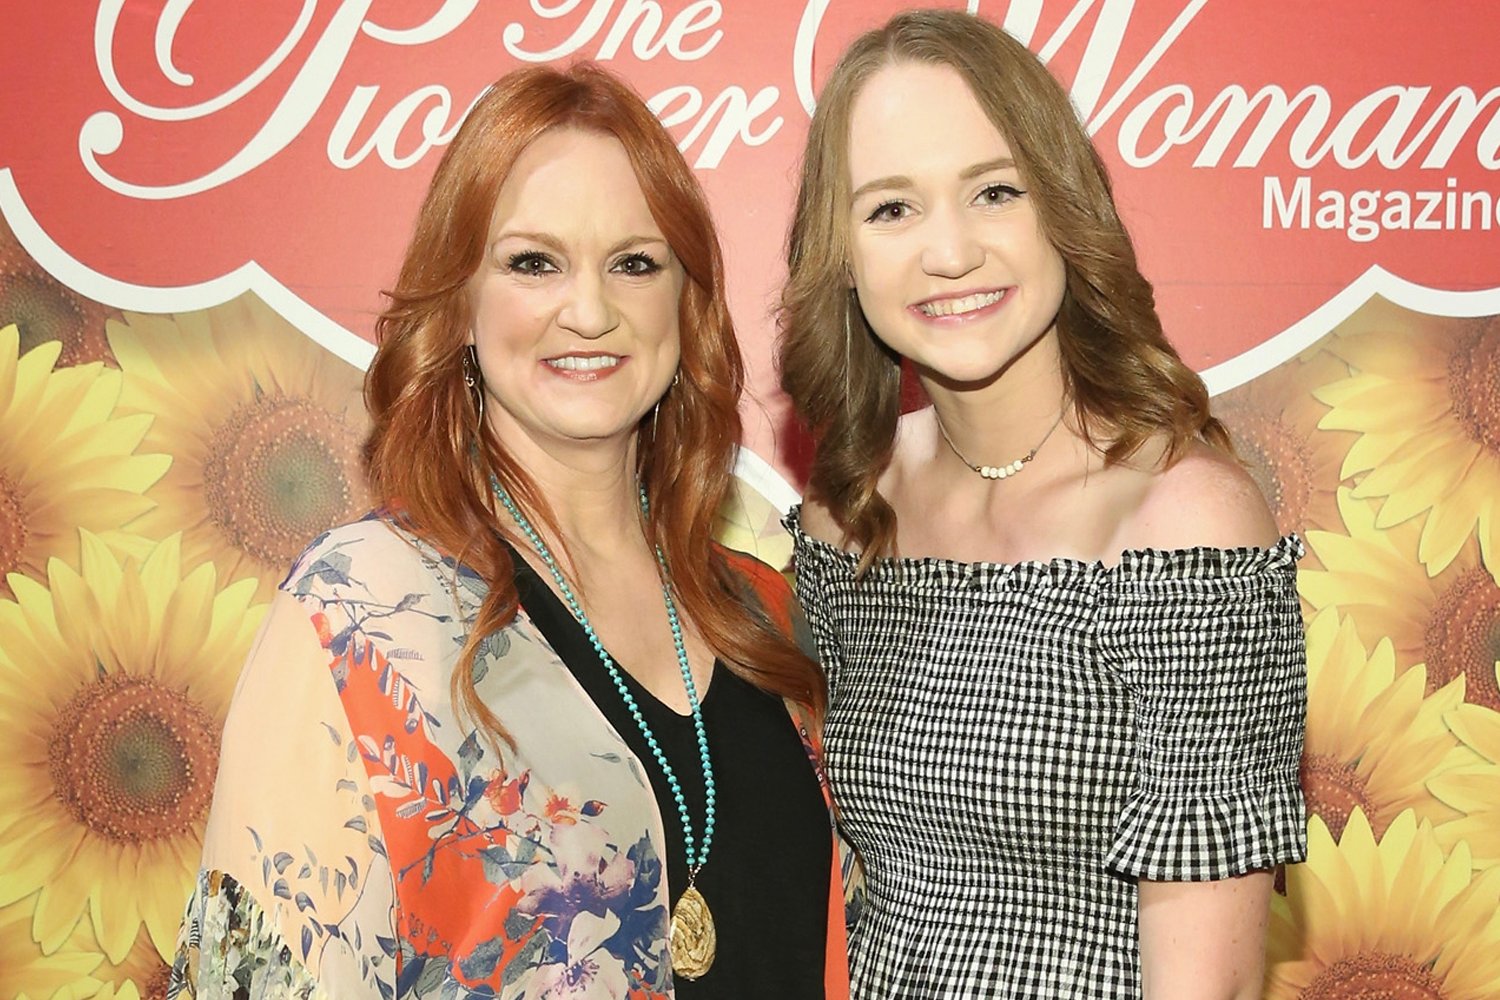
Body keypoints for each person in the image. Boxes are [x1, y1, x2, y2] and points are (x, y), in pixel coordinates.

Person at [170, 63, 853, 1000]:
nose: (590, 310)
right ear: (459, 305)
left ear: (686, 305)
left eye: (635, 263)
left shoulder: (766, 613)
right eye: (534, 262)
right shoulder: (362, 619)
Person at [778, 10, 1306, 999]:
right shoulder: (845, 519)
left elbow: (1209, 984)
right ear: (841, 253)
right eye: (892, 208)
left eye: (993, 190)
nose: (950, 251)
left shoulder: (1182, 521)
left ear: (1063, 208)